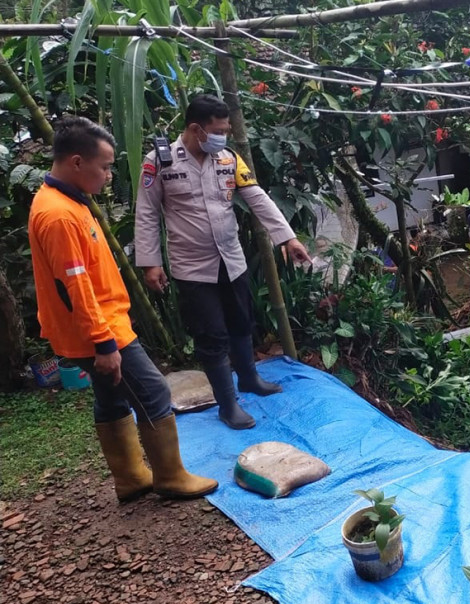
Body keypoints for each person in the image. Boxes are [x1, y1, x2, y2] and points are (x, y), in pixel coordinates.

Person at [28, 116, 218, 502]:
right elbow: (75, 287)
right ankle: (170, 476)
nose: (109, 176)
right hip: (98, 330)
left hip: (96, 325)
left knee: (112, 396)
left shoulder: (68, 200)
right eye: (105, 166)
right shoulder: (59, 214)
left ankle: (131, 477)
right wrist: (103, 344)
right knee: (152, 392)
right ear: (77, 162)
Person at [134, 94, 311, 430]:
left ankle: (249, 378)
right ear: (196, 129)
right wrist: (150, 263)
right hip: (192, 268)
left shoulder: (228, 158)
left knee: (241, 322)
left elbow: (256, 197)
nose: (223, 137)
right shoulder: (161, 161)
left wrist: (287, 238)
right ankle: (228, 405)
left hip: (231, 259)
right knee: (212, 336)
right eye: (219, 131)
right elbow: (145, 214)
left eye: (227, 131)